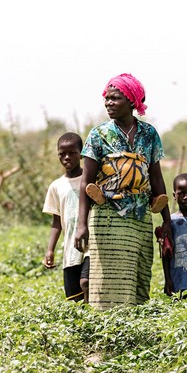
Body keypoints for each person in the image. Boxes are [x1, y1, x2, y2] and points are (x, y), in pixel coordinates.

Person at [74, 73, 173, 310]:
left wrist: (167, 219)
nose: (108, 103)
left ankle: (133, 323)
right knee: (106, 274)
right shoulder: (98, 135)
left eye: (115, 98)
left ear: (131, 101)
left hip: (139, 217)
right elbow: (85, 181)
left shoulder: (149, 135)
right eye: (107, 99)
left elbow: (156, 178)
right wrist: (81, 223)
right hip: (107, 215)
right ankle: (105, 328)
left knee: (135, 270)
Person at [42, 132, 88, 302]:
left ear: (81, 154)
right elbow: (56, 222)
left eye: (72, 153)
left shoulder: (90, 179)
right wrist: (50, 250)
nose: (67, 157)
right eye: (62, 154)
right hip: (70, 249)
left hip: (91, 245)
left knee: (86, 283)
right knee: (75, 299)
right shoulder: (56, 186)